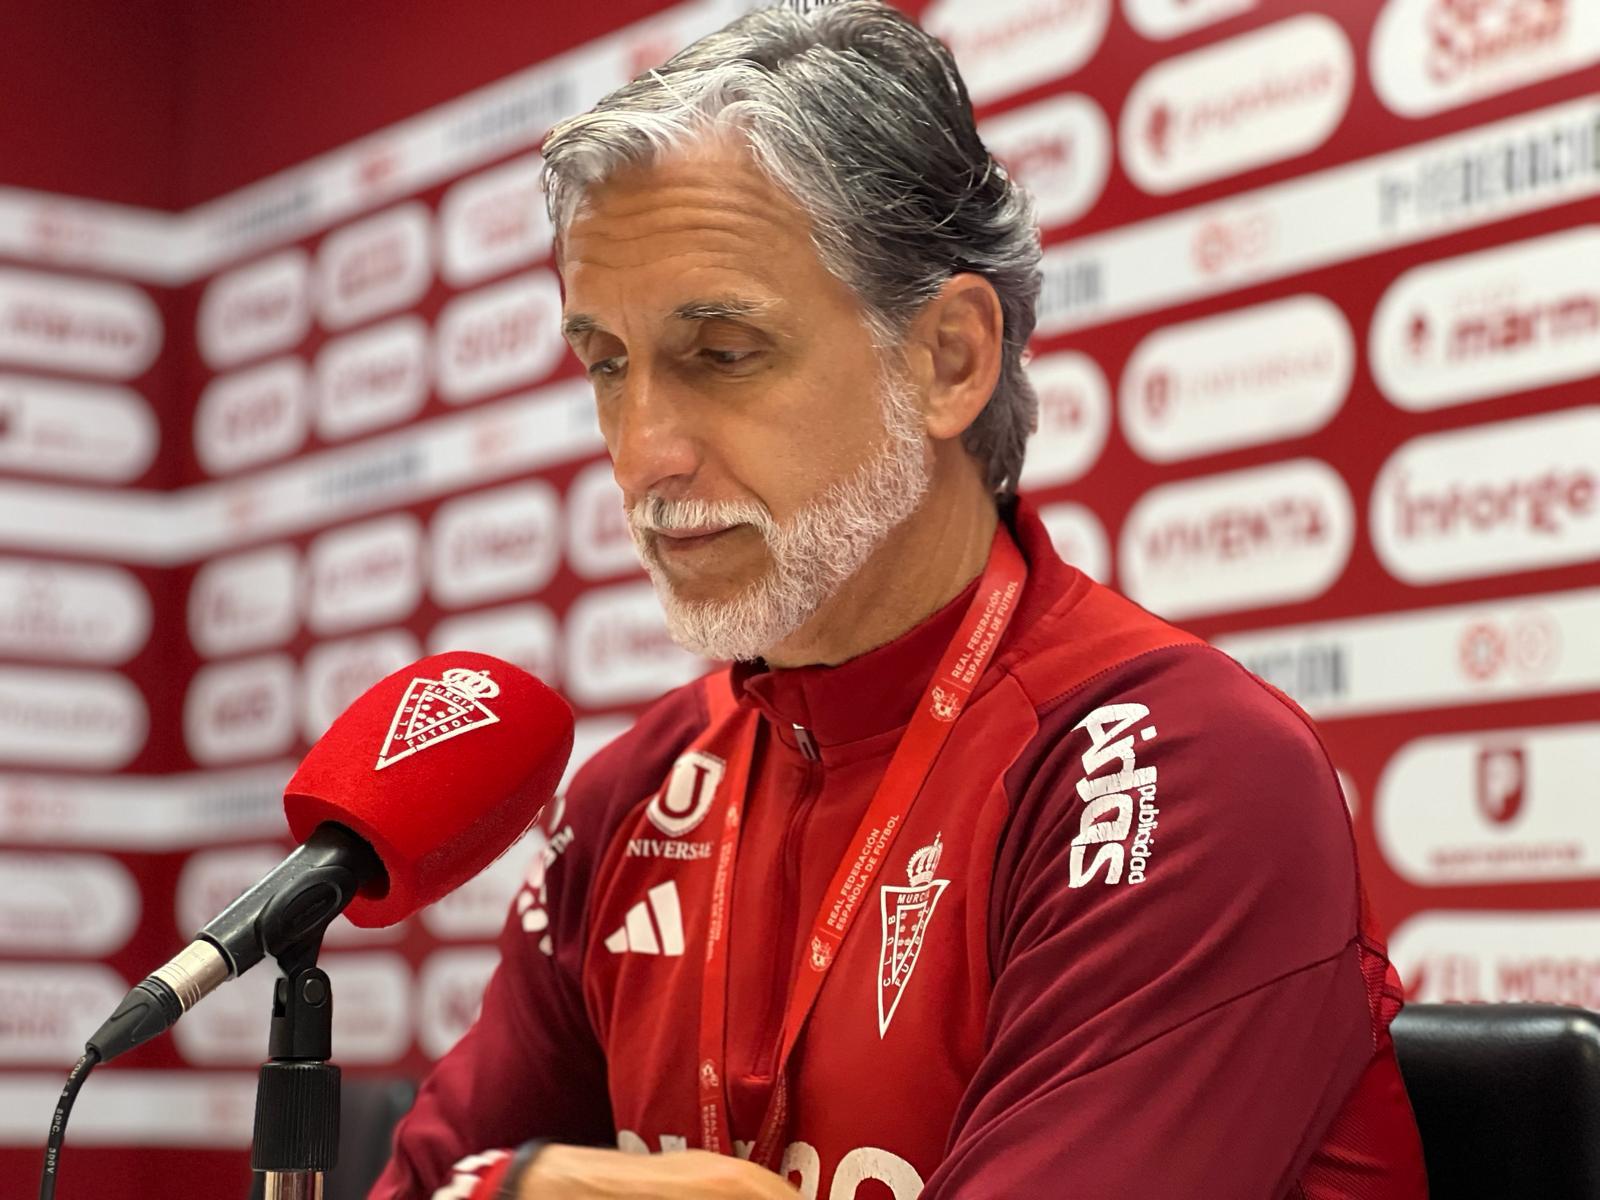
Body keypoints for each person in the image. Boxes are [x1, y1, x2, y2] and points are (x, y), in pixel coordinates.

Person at [371, 4, 1429, 1197]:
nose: (643, 450)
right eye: (607, 366)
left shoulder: (1176, 768)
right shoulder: (632, 796)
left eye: (721, 353)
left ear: (948, 361)